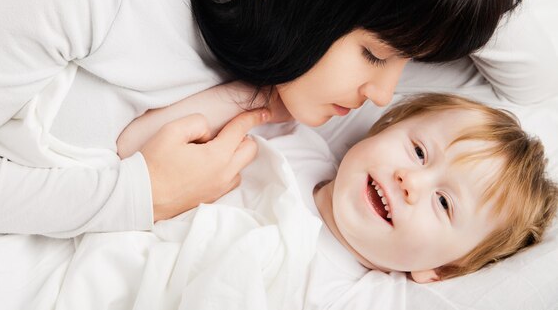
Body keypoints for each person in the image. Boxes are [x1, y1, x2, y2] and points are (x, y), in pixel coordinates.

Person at [0, 0, 527, 236]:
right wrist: (143, 194)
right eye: (374, 54)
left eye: (406, 61)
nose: (382, 94)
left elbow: (529, 86)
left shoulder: (303, 70)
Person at [117, 88, 558, 306]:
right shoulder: (289, 138)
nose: (411, 181)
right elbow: (139, 146)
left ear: (439, 269)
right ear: (381, 130)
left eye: (444, 203)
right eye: (419, 151)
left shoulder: (363, 296)